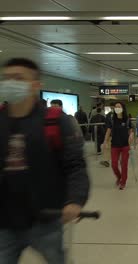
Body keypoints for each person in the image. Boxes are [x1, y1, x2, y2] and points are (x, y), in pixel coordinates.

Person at [0, 58, 90, 263]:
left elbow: (75, 165)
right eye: (7, 78)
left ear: (36, 85)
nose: (10, 82)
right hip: (4, 220)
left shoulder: (56, 121)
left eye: (18, 78)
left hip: (45, 218)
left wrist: (75, 199)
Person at [103, 102, 134, 190]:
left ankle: (123, 181)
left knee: (124, 164)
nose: (117, 108)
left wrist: (131, 134)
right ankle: (119, 176)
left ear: (123, 108)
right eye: (115, 107)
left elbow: (131, 130)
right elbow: (108, 130)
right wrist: (105, 141)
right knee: (114, 165)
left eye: (119, 106)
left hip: (125, 145)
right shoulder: (112, 119)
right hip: (115, 145)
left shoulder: (127, 119)